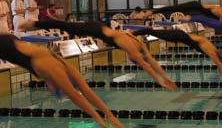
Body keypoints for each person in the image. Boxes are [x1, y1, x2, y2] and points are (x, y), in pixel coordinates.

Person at [0, 34, 127, 128]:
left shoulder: (59, 66)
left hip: (14, 45)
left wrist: (108, 115)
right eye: (53, 89)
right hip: (12, 45)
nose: (49, 89)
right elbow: (76, 95)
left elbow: (85, 91)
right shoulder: (52, 68)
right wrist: (100, 117)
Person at [20, 19, 177, 91]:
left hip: (99, 26)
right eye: (134, 61)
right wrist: (160, 82)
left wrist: (166, 78)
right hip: (94, 29)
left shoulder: (138, 44)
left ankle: (35, 23)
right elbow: (147, 66)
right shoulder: (134, 49)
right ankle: (34, 23)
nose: (133, 60)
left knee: (66, 25)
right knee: (65, 25)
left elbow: (152, 62)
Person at [147, 1, 222, 53]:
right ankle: (152, 11)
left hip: (203, 14)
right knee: (176, 8)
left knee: (178, 10)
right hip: (201, 10)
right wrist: (185, 18)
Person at [132, 28, 222, 78]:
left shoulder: (212, 48)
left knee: (153, 32)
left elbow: (221, 63)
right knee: (152, 32)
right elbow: (219, 63)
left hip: (180, 35)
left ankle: (133, 34)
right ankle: (132, 33)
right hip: (178, 36)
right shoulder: (210, 50)